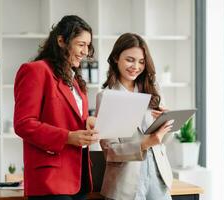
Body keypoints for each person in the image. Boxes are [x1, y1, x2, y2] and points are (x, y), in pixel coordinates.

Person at [13, 15, 99, 200]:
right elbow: (23, 124)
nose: (85, 51)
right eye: (80, 44)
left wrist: (88, 122)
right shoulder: (36, 70)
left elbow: (68, 118)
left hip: (78, 178)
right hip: (50, 180)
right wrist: (67, 137)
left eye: (88, 45)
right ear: (61, 41)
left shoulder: (74, 79)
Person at [96, 33, 174, 200]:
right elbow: (110, 151)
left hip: (158, 177)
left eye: (141, 62)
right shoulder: (106, 96)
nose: (135, 66)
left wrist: (167, 124)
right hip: (124, 182)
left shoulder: (153, 90)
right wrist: (145, 143)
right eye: (130, 60)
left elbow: (164, 141)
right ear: (116, 57)